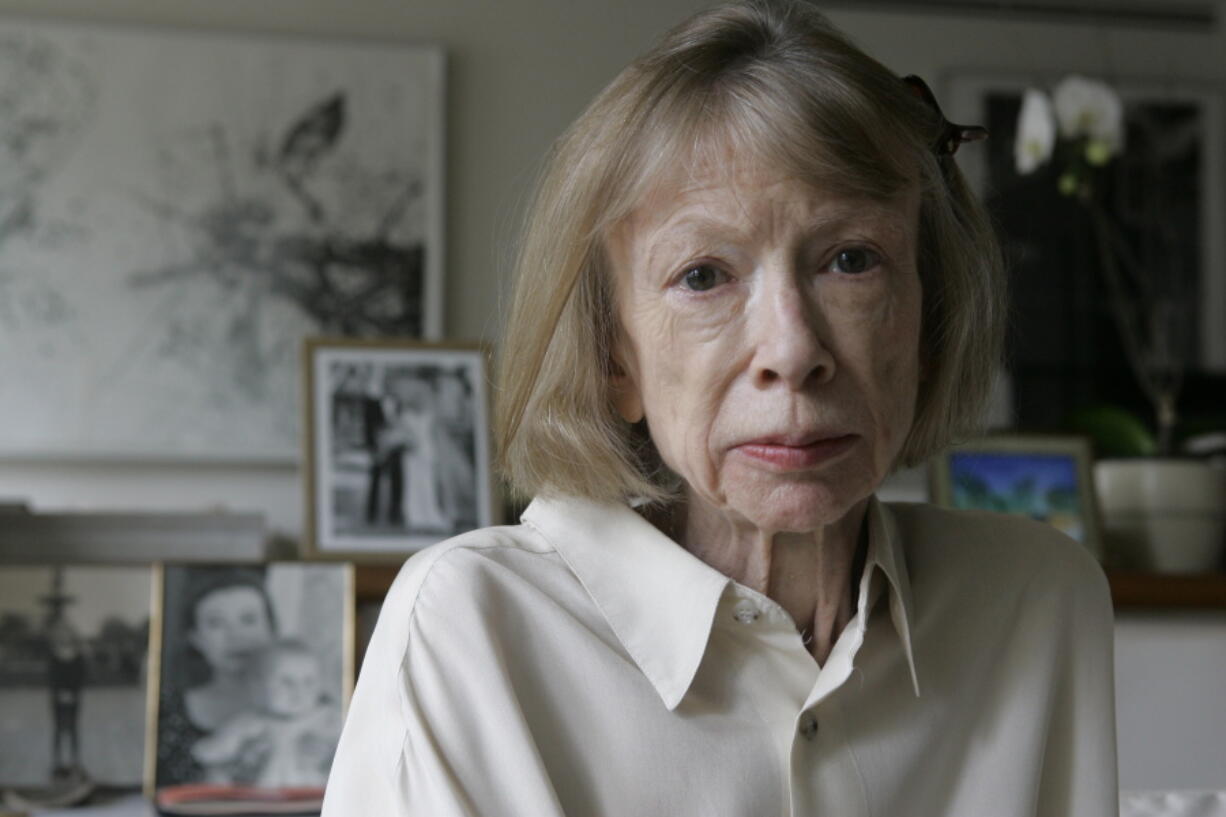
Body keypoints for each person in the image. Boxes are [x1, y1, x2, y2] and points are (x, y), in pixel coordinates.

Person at [323, 2, 1117, 815]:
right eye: (704, 275)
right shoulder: (472, 627)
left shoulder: (1034, 598)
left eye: (852, 260)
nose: (792, 348)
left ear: (927, 319)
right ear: (612, 355)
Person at [156, 569, 277, 787]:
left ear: (271, 629)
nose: (235, 635)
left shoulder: (315, 706)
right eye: (216, 623)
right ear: (196, 638)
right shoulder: (166, 710)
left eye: (249, 619)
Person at [190, 640, 339, 788]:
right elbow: (216, 750)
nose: (298, 690)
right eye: (286, 682)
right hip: (264, 798)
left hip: (313, 797)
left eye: (309, 682)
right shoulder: (250, 722)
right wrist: (213, 753)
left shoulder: (327, 719)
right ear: (258, 687)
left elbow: (348, 752)